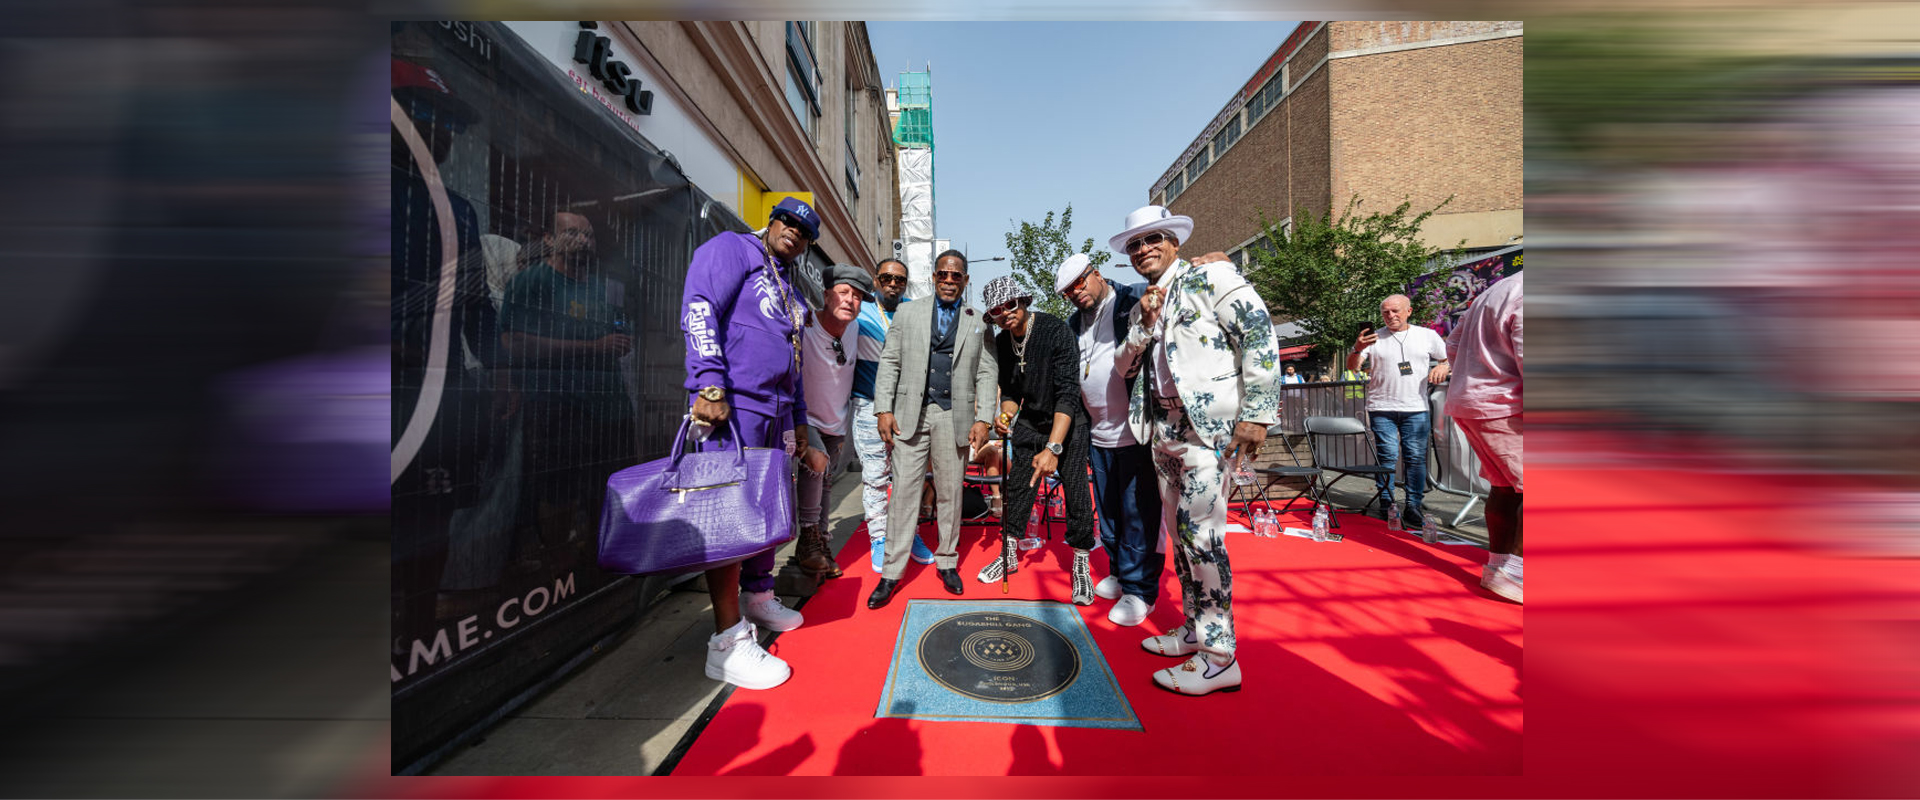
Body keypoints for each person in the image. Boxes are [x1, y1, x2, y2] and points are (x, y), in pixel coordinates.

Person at [1115, 205, 1280, 696]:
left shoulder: (1210, 277)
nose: (1143, 249)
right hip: (1163, 432)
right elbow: (1124, 365)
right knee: (1181, 540)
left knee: (1202, 539)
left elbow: (1258, 332)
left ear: (1174, 242)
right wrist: (1144, 323)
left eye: (1154, 239)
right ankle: (1195, 629)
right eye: (1134, 244)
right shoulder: (1141, 303)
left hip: (1208, 433)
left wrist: (1258, 413)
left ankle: (1219, 655)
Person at [679, 196, 821, 690]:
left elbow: (796, 360)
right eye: (789, 223)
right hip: (733, 406)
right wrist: (708, 383)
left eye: (805, 234)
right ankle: (726, 642)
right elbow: (699, 306)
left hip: (779, 415)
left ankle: (758, 596)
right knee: (726, 519)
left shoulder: (790, 288)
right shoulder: (732, 249)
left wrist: (801, 419)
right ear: (772, 221)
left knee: (766, 513)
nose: (795, 234)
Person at [500, 211, 634, 571]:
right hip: (557, 402)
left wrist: (620, 342)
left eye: (588, 236)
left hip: (608, 406)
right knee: (558, 488)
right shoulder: (532, 282)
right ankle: (557, 562)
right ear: (548, 239)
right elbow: (514, 342)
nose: (583, 242)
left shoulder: (599, 287)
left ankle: (594, 557)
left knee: (605, 486)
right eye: (573, 233)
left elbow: (615, 335)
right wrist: (595, 347)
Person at [867, 250, 997, 609]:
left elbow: (986, 372)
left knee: (950, 493)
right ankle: (892, 571)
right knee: (905, 494)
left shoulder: (978, 321)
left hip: (952, 416)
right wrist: (883, 409)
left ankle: (948, 561)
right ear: (935, 276)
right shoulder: (908, 312)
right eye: (943, 274)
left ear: (966, 280)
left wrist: (984, 418)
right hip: (910, 413)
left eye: (957, 276)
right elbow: (890, 361)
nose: (949, 281)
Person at [1056, 252, 1164, 626]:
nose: (1076, 293)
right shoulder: (1073, 325)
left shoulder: (1131, 299)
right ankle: (1120, 573)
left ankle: (1141, 590)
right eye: (1068, 291)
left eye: (1080, 283)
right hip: (1096, 433)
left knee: (1139, 513)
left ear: (1096, 274)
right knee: (1110, 512)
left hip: (1134, 429)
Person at [974, 277, 1097, 603]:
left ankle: (1081, 562)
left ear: (1023, 301)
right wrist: (1005, 414)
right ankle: (1009, 553)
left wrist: (1054, 447)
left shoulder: (1056, 331)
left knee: (1075, 489)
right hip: (1030, 421)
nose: (1006, 314)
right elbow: (1012, 391)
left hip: (1067, 421)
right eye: (997, 311)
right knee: (1018, 486)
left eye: (1010, 305)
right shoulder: (1002, 343)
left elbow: (1069, 393)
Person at [849, 259, 936, 573]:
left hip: (907, 411)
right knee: (874, 478)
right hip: (868, 406)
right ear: (876, 279)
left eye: (900, 279)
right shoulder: (859, 310)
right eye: (886, 277)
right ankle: (879, 539)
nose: (893, 284)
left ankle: (908, 535)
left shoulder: (915, 312)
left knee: (908, 478)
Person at [792, 264, 877, 584]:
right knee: (815, 466)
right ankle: (808, 540)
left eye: (856, 296)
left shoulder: (858, 329)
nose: (850, 301)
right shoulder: (806, 324)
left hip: (836, 421)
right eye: (843, 293)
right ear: (827, 295)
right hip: (805, 418)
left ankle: (822, 543)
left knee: (825, 480)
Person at [1444, 273, 1523, 603]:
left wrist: (1470, 376)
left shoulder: (1498, 288)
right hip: (1503, 402)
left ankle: (1499, 568)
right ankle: (1515, 573)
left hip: (1475, 400)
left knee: (1504, 487)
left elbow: (1452, 344)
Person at [1347, 294, 1451, 529]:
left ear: (1408, 311)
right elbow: (1352, 368)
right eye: (1386, 312)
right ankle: (1387, 504)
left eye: (1395, 311)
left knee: (1415, 458)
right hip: (1381, 406)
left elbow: (1448, 357)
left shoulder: (1427, 335)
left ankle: (1413, 505)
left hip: (1416, 408)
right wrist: (1357, 348)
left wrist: (1444, 366)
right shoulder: (1374, 338)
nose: (1391, 316)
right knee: (1387, 457)